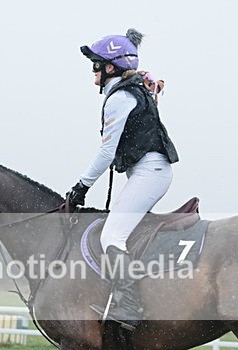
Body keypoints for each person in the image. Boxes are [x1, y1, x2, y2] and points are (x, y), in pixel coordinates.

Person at [66, 28, 179, 331]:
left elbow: (106, 152)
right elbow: (153, 87)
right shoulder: (135, 88)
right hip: (150, 172)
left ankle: (129, 304)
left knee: (111, 237)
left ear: (111, 68)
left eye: (96, 65)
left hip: (150, 173)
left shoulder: (120, 97)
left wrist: (81, 186)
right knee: (120, 232)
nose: (93, 72)